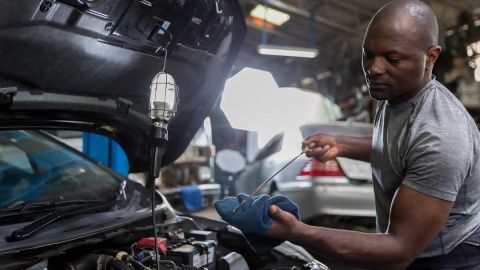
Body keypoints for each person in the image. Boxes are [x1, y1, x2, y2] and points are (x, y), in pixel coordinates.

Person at [264, 0, 480, 269]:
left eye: (392, 58)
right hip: (415, 249)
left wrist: (298, 233)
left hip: (446, 258)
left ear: (431, 57)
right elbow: (399, 150)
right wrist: (341, 145)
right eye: (368, 54)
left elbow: (399, 250)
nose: (374, 68)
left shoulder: (442, 135)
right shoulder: (394, 95)